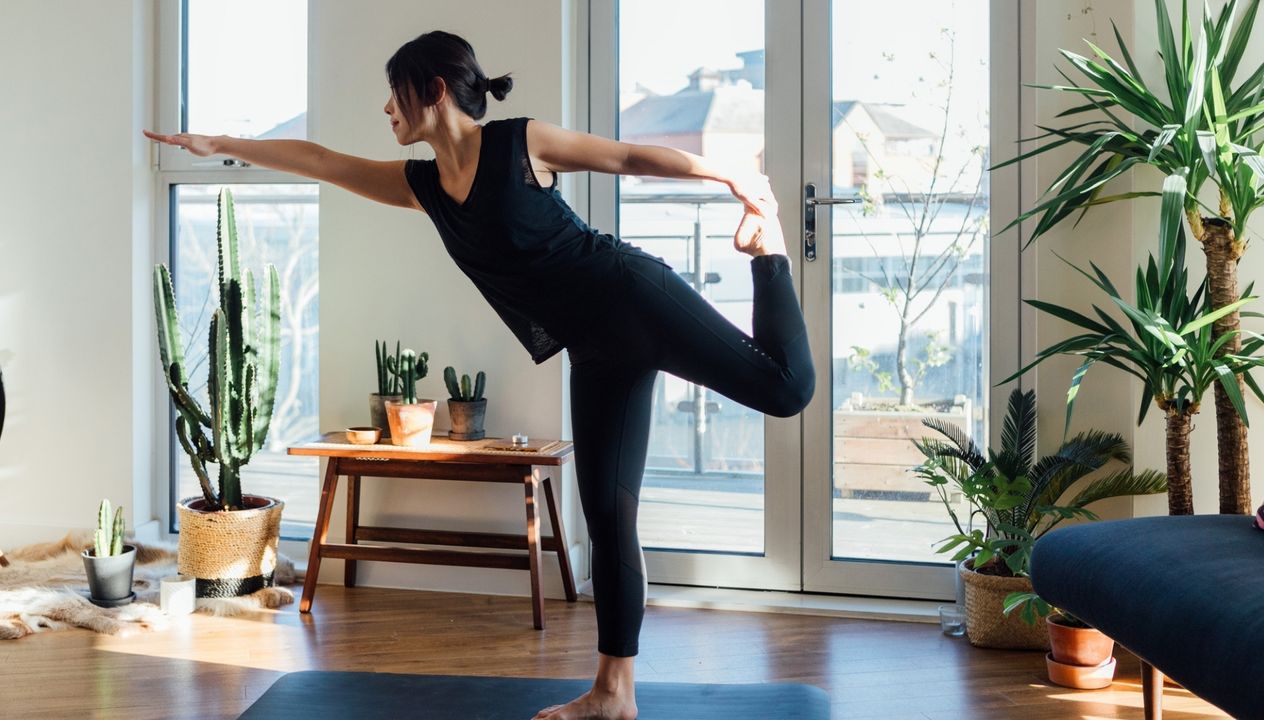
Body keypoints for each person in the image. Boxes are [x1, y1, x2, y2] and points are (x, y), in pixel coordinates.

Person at [145, 29, 814, 720]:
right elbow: (320, 159)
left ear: (433, 91)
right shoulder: (424, 187)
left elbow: (623, 155)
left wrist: (725, 174)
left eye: (394, 94)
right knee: (610, 517)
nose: (386, 110)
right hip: (595, 348)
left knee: (786, 389)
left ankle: (769, 254)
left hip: (632, 296)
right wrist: (220, 140)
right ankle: (614, 694)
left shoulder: (521, 143)